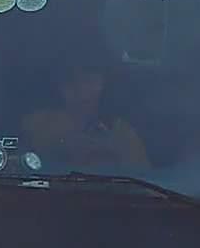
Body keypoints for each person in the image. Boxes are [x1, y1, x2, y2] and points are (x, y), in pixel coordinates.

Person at [21, 55, 150, 168]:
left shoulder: (123, 134)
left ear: (103, 84)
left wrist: (107, 150)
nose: (81, 91)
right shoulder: (38, 124)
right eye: (71, 81)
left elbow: (141, 178)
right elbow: (20, 168)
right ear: (59, 86)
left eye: (89, 81)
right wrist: (61, 145)